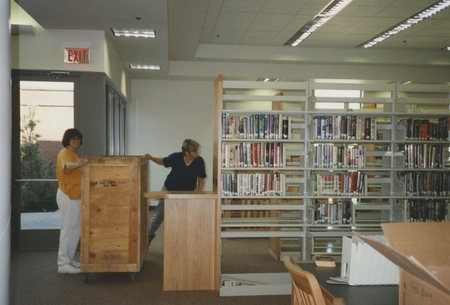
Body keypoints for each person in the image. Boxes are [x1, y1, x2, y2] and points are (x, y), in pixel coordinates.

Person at [145, 139, 206, 245]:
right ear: (187, 152)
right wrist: (151, 158)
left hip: (187, 193)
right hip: (169, 189)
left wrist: (199, 192)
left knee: (183, 216)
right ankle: (149, 235)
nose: (198, 152)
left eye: (197, 150)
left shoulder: (199, 161)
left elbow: (201, 177)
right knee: (159, 214)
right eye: (195, 151)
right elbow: (162, 161)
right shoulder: (176, 157)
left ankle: (182, 240)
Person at [56, 128, 88, 274]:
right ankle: (63, 263)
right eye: (73, 138)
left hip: (75, 197)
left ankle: (69, 259)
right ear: (67, 140)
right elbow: (67, 165)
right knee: (68, 230)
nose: (76, 140)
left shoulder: (74, 154)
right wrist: (78, 164)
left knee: (74, 230)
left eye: (78, 138)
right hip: (68, 196)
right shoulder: (65, 153)